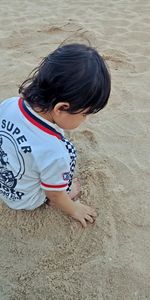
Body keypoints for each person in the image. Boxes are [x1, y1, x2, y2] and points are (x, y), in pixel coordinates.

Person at [0, 43, 111, 227]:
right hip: (25, 200)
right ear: (61, 108)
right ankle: (67, 191)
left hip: (5, 183)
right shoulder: (55, 151)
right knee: (68, 155)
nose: (85, 119)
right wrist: (74, 208)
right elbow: (54, 194)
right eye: (85, 114)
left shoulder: (9, 104)